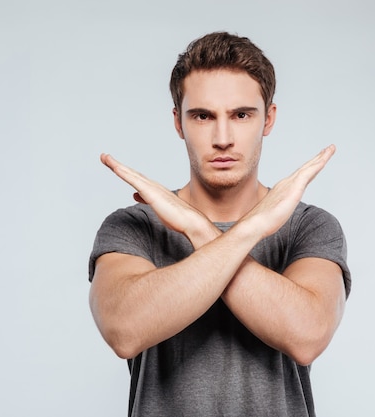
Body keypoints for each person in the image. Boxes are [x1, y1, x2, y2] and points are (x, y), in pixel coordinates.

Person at [88, 31, 351, 417]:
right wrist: (251, 229)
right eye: (203, 116)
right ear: (179, 123)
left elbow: (307, 336)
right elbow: (125, 331)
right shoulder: (135, 225)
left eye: (241, 115)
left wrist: (196, 229)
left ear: (269, 119)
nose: (223, 138)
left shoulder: (308, 226)